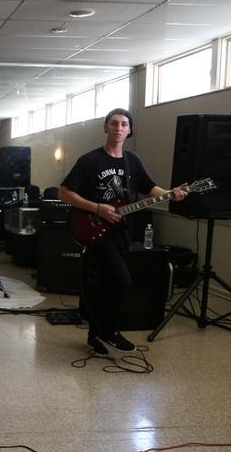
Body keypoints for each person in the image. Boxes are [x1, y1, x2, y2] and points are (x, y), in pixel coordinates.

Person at [59, 108, 188, 356]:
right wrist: (97, 208)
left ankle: (96, 336)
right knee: (122, 280)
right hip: (95, 230)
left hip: (121, 231)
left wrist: (172, 194)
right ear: (105, 127)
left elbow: (149, 188)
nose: (119, 128)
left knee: (108, 283)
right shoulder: (89, 160)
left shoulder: (132, 161)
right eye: (114, 123)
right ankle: (110, 332)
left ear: (129, 130)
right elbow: (64, 193)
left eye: (124, 124)